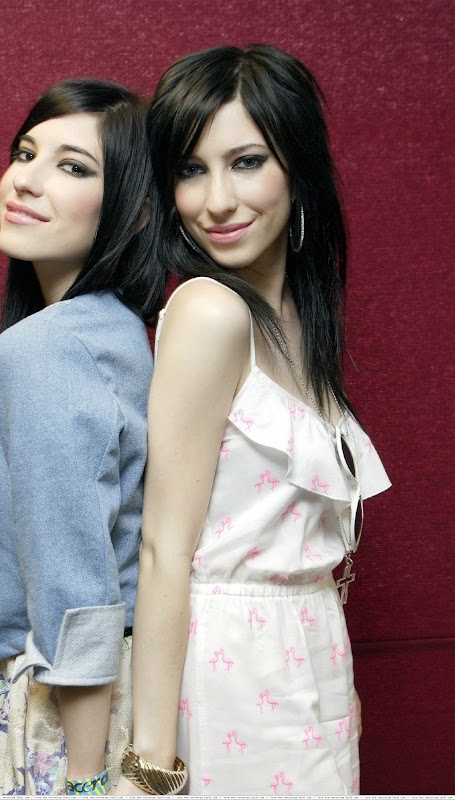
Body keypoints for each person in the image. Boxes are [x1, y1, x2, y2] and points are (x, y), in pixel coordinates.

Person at [114, 45, 391, 796]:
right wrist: (150, 765)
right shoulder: (208, 312)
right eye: (190, 170)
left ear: (297, 165)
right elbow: (164, 548)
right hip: (228, 669)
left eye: (245, 162)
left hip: (312, 664)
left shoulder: (301, 320)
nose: (216, 201)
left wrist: (329, 678)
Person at [0, 78, 164, 795]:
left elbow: (74, 577)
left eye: (72, 167)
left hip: (62, 708)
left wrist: (84, 778)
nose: (26, 180)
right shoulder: (119, 334)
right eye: (25, 153)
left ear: (135, 209)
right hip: (125, 689)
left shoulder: (45, 348)